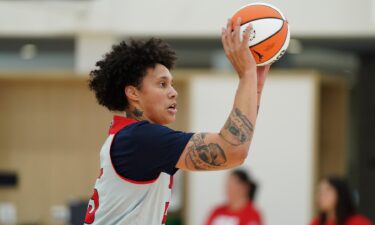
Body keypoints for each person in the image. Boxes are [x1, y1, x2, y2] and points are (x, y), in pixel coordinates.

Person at [84, 17, 271, 225]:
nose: (173, 92)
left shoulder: (132, 138)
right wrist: (247, 76)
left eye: (171, 84)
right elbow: (232, 151)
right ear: (133, 93)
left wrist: (255, 86)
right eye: (162, 84)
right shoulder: (141, 139)